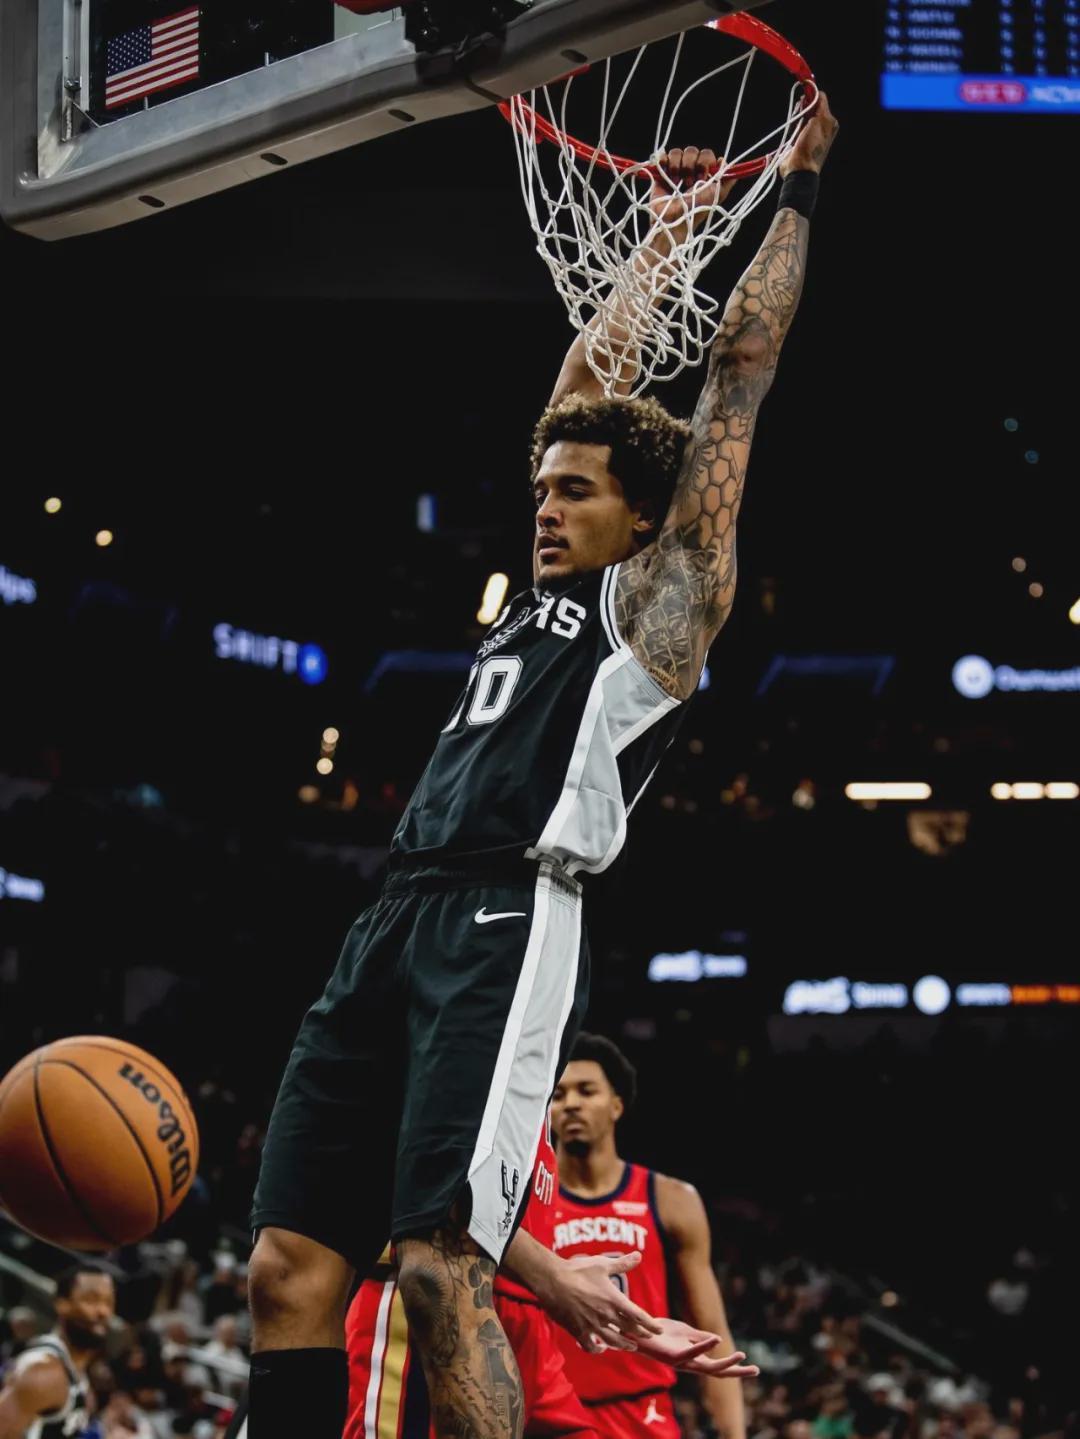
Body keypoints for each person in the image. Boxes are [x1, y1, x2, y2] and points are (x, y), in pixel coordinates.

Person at [246, 94, 838, 1439]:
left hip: (508, 915)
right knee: (287, 1266)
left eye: (577, 491)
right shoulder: (538, 594)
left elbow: (740, 365)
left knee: (442, 1264)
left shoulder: (660, 606)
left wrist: (791, 188)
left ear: (646, 513)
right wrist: (667, 234)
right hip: (395, 910)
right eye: (543, 489)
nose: (547, 505)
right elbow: (584, 382)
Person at [344, 1117, 755, 1439]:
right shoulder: (466, 1051)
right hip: (444, 1298)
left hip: (534, 1330)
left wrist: (625, 1322)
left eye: (587, 1090)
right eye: (567, 1092)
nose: (572, 1102)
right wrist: (554, 1276)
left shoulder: (538, 1093)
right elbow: (434, 1176)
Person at [550, 1035, 745, 1439]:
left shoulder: (671, 1198)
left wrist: (733, 1433)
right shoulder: (527, 1199)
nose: (571, 1104)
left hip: (643, 1413)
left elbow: (710, 1328)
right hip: (551, 1411)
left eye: (586, 1091)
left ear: (616, 1106)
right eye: (558, 1095)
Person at [0, 1265, 115, 1439]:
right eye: (91, 1300)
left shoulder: (75, 1368)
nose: (103, 1311)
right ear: (62, 1304)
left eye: (109, 1302)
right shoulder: (42, 1372)